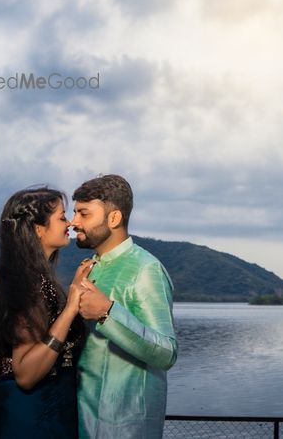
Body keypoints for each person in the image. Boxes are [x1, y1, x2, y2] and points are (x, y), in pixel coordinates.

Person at [0, 187, 95, 438]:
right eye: (63, 217)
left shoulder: (36, 279)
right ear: (37, 229)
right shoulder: (29, 283)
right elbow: (26, 374)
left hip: (46, 410)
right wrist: (71, 307)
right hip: (28, 416)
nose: (71, 223)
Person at [70, 174, 177, 439]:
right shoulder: (89, 268)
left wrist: (107, 313)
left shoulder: (146, 269)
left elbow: (167, 353)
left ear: (114, 218)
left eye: (83, 214)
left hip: (125, 429)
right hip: (79, 422)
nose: (74, 223)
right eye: (74, 214)